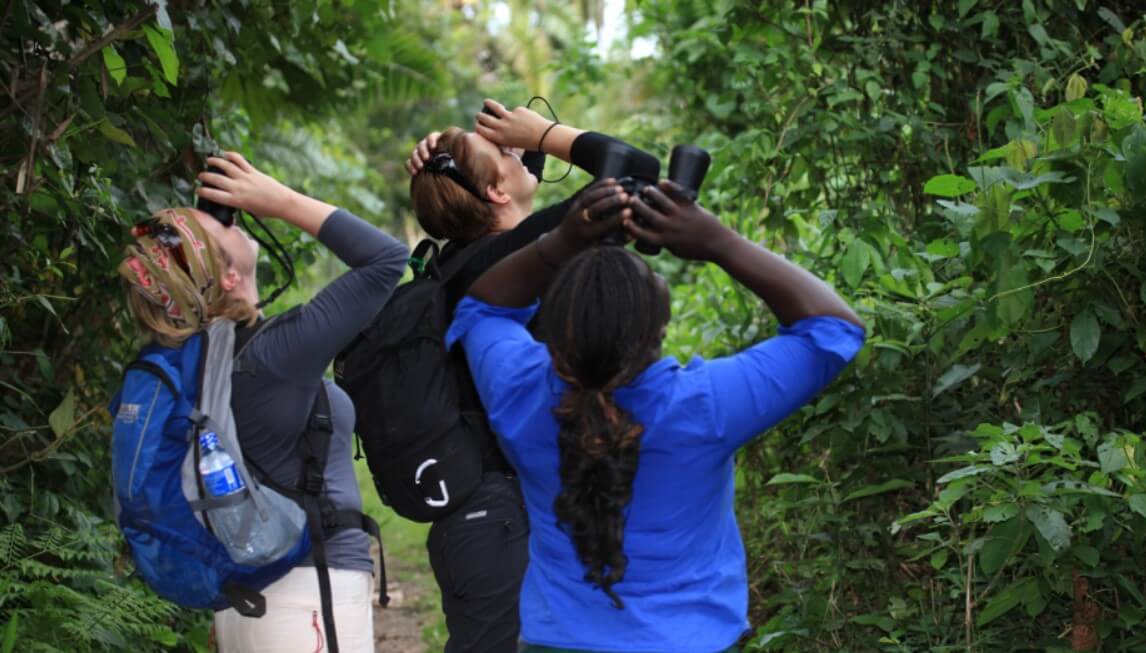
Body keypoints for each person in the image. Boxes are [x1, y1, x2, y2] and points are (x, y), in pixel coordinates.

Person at [443, 180, 866, 652]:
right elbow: (834, 329)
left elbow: (483, 309)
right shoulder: (707, 407)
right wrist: (717, 241)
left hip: (555, 642)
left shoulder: (518, 391)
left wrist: (560, 243)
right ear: (661, 326)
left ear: (554, 334)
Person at [119, 152, 409, 652]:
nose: (234, 216)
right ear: (228, 278)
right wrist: (281, 201)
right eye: (217, 227)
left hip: (250, 598)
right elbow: (387, 259)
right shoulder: (273, 355)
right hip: (308, 599)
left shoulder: (204, 359)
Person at [399, 99, 659, 653]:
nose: (522, 155)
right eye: (505, 155)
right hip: (499, 516)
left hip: (487, 511)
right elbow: (634, 170)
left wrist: (468, 157)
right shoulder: (508, 251)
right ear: (495, 193)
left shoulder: (464, 261)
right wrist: (546, 132)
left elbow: (518, 192)